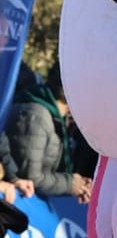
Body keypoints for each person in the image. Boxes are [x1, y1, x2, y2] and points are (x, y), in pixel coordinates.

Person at [4, 63, 91, 203]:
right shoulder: (36, 117)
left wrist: (79, 185)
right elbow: (28, 177)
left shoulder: (55, 116)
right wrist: (70, 184)